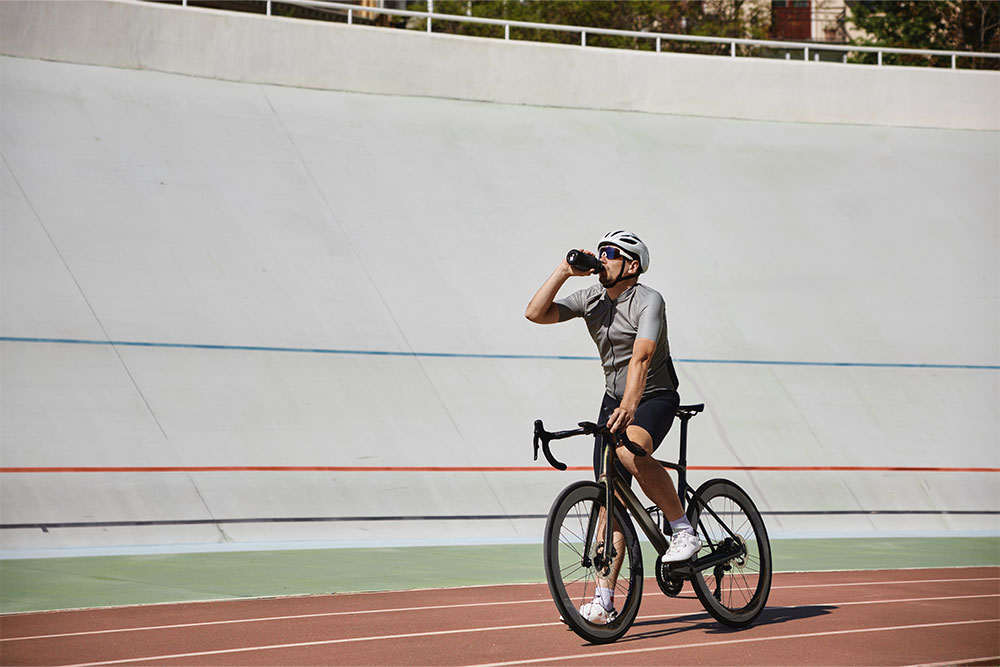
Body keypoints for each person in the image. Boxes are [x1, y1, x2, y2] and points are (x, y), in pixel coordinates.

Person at [525, 230, 701, 624]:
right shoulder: (591, 298)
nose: (601, 259)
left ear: (632, 265)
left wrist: (630, 405)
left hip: (654, 396)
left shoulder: (649, 300)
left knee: (629, 450)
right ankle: (605, 600)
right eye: (600, 252)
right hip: (614, 399)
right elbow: (535, 313)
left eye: (610, 254)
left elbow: (641, 358)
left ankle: (682, 528)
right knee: (610, 497)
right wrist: (564, 271)